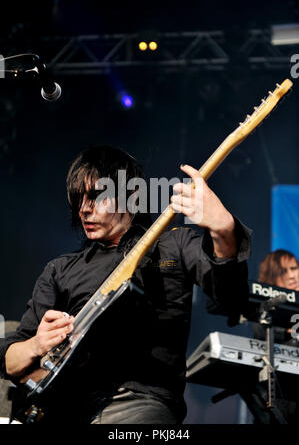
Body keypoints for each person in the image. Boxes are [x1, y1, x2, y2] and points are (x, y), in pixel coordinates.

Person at [0, 145, 251, 424]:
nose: (84, 208)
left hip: (138, 405)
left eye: (96, 197)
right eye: (78, 198)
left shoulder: (172, 247)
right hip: (64, 408)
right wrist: (36, 344)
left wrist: (224, 230)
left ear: (131, 196)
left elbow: (232, 298)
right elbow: (10, 361)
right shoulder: (60, 270)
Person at [247, 249, 299, 424]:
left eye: (294, 268)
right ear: (272, 276)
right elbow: (261, 329)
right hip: (279, 399)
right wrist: (289, 333)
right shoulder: (264, 306)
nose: (292, 276)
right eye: (285, 271)